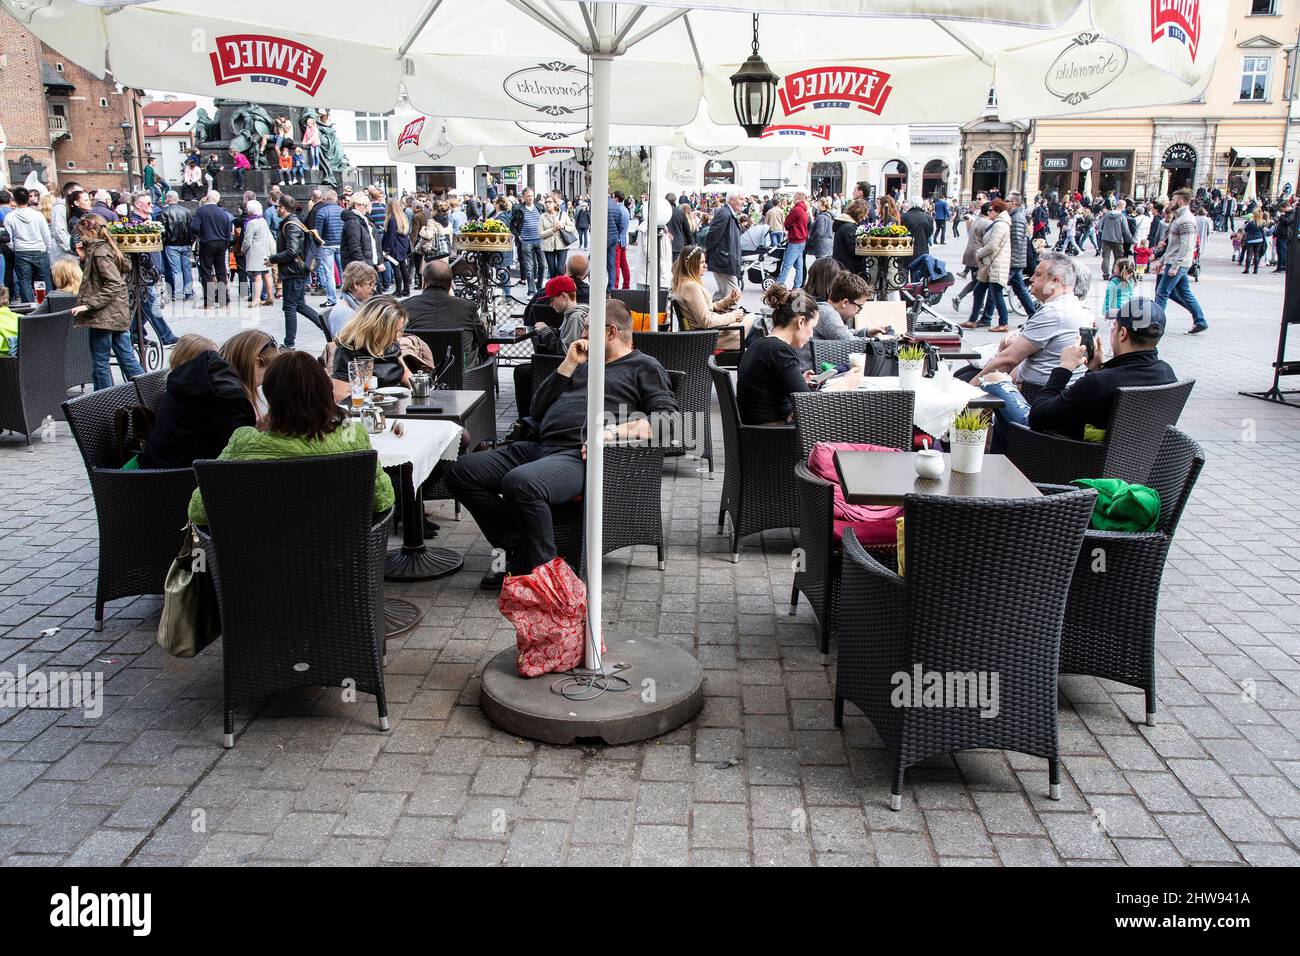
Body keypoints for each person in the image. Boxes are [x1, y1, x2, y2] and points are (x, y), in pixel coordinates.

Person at [445, 299, 678, 589]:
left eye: (586, 329)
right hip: (539, 446)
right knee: (459, 469)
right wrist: (567, 365)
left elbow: (668, 421)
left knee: (521, 483)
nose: (581, 336)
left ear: (610, 332)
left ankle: (547, 576)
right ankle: (516, 544)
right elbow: (537, 409)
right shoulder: (583, 362)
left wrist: (609, 433)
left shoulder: (643, 366)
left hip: (580, 455)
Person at [188, 350, 394, 526]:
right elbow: (383, 500)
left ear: (270, 395)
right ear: (325, 391)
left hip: (256, 565)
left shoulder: (244, 442)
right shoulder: (352, 435)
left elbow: (198, 512)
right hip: (342, 561)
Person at [988, 299, 1176, 439]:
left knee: (995, 381)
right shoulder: (1167, 374)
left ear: (1122, 333)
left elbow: (1037, 418)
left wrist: (1064, 368)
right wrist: (1096, 369)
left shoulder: (1099, 383)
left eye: (1114, 326)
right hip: (1127, 462)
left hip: (1062, 454)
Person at [136, 332, 271, 469]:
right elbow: (239, 453)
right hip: (180, 480)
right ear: (257, 361)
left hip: (163, 472)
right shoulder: (221, 395)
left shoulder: (199, 386)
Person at [975, 251, 1092, 404]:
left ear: (1055, 281)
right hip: (1054, 395)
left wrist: (966, 394)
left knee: (973, 380)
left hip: (1035, 399)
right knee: (976, 374)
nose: (1031, 279)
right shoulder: (1078, 308)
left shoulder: (1054, 312)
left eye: (1038, 275)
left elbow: (1008, 359)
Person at [736, 284, 862, 426]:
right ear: (801, 322)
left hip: (758, 434)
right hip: (775, 436)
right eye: (812, 327)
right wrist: (845, 383)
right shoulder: (780, 352)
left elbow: (768, 389)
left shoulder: (760, 345)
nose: (812, 334)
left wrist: (797, 380)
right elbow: (808, 406)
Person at [69, 215, 146, 390]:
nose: (80, 238)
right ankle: (148, 390)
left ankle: (103, 401)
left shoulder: (99, 252)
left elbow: (113, 284)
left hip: (104, 315)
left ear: (92, 231)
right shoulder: (105, 249)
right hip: (116, 313)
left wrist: (88, 304)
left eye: (82, 234)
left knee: (100, 362)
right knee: (127, 358)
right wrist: (83, 257)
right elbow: (100, 279)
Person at [269, 195, 328, 350]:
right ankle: (328, 328)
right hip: (296, 270)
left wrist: (273, 259)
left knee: (289, 307)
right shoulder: (294, 222)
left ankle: (289, 344)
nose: (276, 209)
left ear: (282, 208)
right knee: (299, 305)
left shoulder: (291, 225)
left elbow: (292, 251)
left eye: (277, 207)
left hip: (293, 271)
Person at [402, 258, 488, 364]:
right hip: (462, 373)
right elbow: (482, 338)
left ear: (424, 281)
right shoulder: (467, 307)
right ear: (450, 284)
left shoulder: (405, 306)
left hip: (418, 371)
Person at [329, 296, 413, 401]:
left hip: (397, 404)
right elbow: (340, 394)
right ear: (376, 328)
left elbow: (404, 371)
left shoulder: (391, 343)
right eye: (393, 331)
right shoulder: (348, 350)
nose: (397, 336)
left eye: (399, 330)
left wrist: (416, 387)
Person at [671, 245, 750, 350]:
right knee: (755, 322)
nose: (706, 266)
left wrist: (728, 300)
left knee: (754, 322)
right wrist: (733, 316)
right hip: (706, 338)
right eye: (701, 262)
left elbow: (706, 309)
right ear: (690, 264)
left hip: (703, 335)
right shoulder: (691, 287)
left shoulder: (685, 283)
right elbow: (706, 321)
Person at [1153, 188, 1208, 334]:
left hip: (1178, 262)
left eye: (1173, 199)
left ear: (1181, 201)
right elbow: (1173, 245)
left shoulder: (1186, 219)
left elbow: (1187, 246)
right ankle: (1200, 320)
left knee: (1162, 292)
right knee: (1181, 292)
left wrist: (1175, 265)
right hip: (1173, 261)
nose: (1171, 201)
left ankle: (1156, 325)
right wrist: (1162, 260)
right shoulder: (1179, 218)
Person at [963, 198, 1012, 332]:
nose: (988, 212)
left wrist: (979, 253)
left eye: (991, 210)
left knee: (996, 293)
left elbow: (992, 245)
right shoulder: (997, 223)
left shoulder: (1001, 224)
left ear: (997, 211)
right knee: (979, 290)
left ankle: (1003, 323)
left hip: (996, 264)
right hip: (990, 264)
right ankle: (972, 320)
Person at [3, 186, 52, 303]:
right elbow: (46, 234)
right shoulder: (38, 215)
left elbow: (7, 238)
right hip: (40, 250)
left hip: (21, 251)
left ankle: (29, 310)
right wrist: (47, 248)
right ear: (27, 198)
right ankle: (50, 306)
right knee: (44, 280)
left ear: (13, 199)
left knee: (24, 281)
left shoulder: (10, 217)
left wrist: (15, 248)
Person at [191, 190, 233, 309]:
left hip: (207, 242)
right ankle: (223, 301)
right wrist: (225, 245)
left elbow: (194, 227)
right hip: (221, 243)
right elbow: (228, 232)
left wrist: (201, 233)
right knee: (221, 272)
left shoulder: (201, 211)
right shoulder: (223, 213)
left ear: (207, 197)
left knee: (206, 272)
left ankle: (208, 302)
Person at [705, 189, 744, 297]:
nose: (743, 202)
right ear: (731, 200)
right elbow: (712, 236)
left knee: (726, 295)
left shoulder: (728, 213)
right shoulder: (725, 213)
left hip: (726, 261)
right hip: (724, 262)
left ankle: (711, 309)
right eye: (740, 199)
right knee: (732, 296)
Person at [158, 191, 194, 301]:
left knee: (176, 270)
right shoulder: (186, 211)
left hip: (171, 243)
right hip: (185, 243)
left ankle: (178, 293)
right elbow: (191, 228)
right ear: (177, 199)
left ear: (168, 199)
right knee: (186, 269)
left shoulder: (164, 212)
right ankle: (188, 292)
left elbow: (162, 230)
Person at [327, 262, 378, 338]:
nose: (373, 289)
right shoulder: (344, 313)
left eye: (374, 284)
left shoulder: (354, 305)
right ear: (356, 284)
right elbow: (347, 346)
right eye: (370, 284)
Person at [312, 188, 345, 307]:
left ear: (325, 199)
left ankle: (332, 299)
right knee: (344, 272)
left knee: (329, 273)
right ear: (336, 198)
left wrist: (319, 243)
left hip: (327, 245)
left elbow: (317, 232)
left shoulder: (322, 212)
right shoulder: (342, 211)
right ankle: (344, 297)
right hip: (341, 244)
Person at [241, 199, 275, 311]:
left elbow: (247, 240)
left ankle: (256, 299)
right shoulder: (263, 221)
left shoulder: (251, 223)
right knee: (267, 274)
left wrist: (243, 249)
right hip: (265, 250)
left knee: (257, 275)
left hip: (255, 252)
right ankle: (270, 296)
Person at [512, 188, 546, 296]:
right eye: (528, 196)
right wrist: (518, 236)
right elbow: (512, 224)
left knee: (542, 265)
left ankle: (539, 287)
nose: (530, 198)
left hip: (539, 240)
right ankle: (531, 290)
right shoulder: (519, 209)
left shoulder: (539, 207)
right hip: (526, 241)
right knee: (529, 266)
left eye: (532, 196)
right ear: (523, 197)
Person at [779, 192, 811, 288]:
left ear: (796, 198)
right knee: (799, 265)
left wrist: (790, 227)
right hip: (802, 240)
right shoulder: (804, 210)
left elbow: (786, 223)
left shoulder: (796, 210)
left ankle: (778, 286)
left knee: (787, 265)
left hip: (795, 240)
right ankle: (797, 286)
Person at [831, 198, 869, 277]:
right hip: (849, 270)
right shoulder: (849, 227)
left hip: (843, 267)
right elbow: (854, 250)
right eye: (863, 215)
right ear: (858, 214)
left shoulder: (844, 224)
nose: (864, 218)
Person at [539, 196, 574, 281]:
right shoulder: (543, 216)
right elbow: (541, 234)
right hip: (548, 246)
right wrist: (553, 230)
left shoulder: (563, 214)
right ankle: (554, 291)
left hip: (562, 245)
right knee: (552, 271)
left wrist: (563, 226)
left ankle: (563, 287)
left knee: (560, 269)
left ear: (555, 203)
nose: (547, 204)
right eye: (546, 202)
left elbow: (572, 228)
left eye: (550, 202)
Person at [382, 197, 411, 297]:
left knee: (396, 268)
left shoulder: (392, 219)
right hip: (403, 245)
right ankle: (406, 289)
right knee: (403, 268)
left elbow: (391, 236)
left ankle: (398, 290)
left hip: (395, 246)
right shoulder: (402, 217)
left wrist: (387, 250)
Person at [1098, 199, 1133, 280]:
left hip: (1105, 239)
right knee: (1118, 257)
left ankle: (1105, 273)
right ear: (1123, 207)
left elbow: (1099, 225)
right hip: (1117, 240)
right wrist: (1131, 239)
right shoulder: (1122, 216)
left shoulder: (1106, 214)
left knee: (1106, 257)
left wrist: (1103, 232)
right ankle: (1114, 273)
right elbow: (1125, 230)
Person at [900, 199, 933, 264]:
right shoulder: (927, 217)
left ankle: (904, 274)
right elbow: (930, 232)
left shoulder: (905, 216)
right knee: (919, 270)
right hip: (922, 248)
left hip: (907, 248)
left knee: (905, 269)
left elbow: (901, 232)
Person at [1242, 209, 1267, 274]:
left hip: (1250, 240)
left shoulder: (1251, 223)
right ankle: (1255, 270)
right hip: (1259, 240)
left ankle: (1247, 269)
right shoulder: (1261, 223)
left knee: (1249, 254)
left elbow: (1245, 229)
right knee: (1256, 254)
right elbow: (1262, 231)